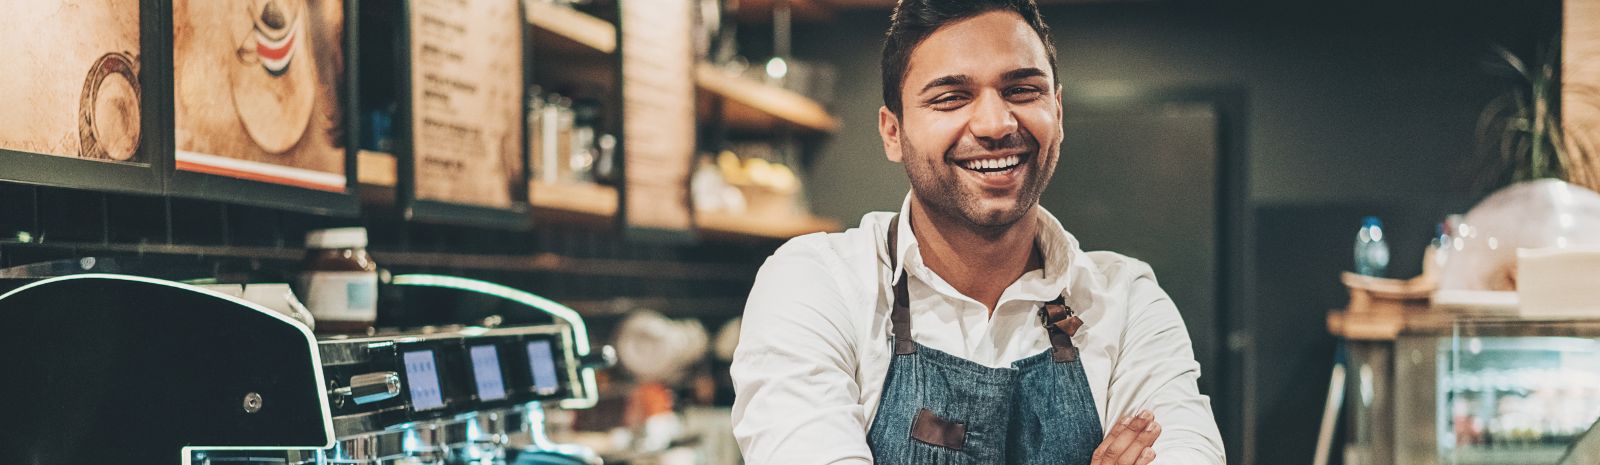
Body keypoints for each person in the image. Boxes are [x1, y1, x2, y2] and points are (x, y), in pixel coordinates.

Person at [729, 0, 1226, 463]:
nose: (994, 123)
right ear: (892, 132)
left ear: (1058, 111)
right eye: (950, 97)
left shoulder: (1126, 302)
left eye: (1021, 90)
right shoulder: (817, 285)